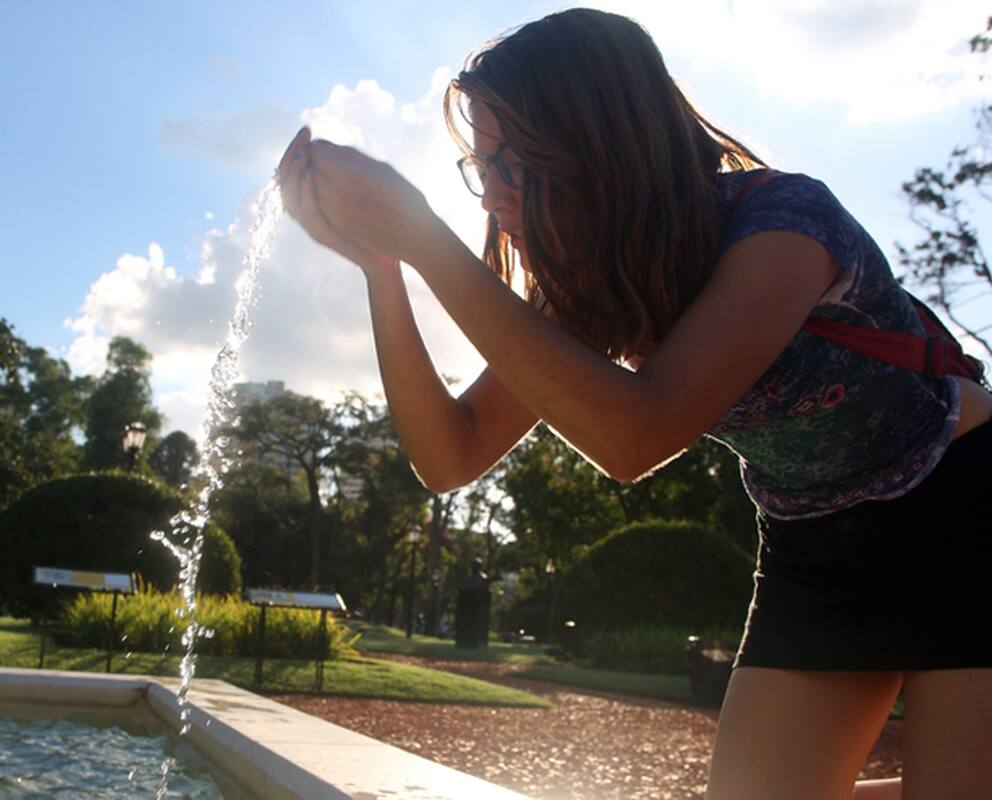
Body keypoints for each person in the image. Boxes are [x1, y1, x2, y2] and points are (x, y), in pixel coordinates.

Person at [277, 8, 992, 799]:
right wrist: (385, 266)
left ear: (598, 144)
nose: (494, 202)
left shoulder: (786, 225)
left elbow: (637, 433)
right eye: (481, 171)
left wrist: (424, 238)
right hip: (812, 537)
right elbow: (451, 455)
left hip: (962, 508)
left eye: (511, 166)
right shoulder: (592, 294)